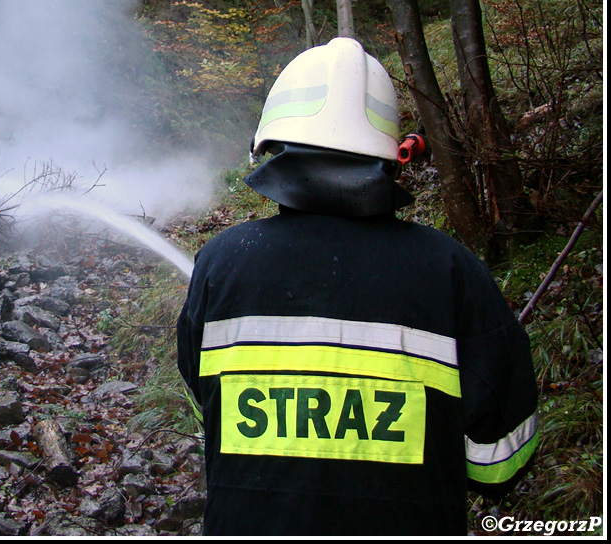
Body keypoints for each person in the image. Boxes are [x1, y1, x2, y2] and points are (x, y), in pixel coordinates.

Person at [176, 37, 538, 536]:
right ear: (390, 158)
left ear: (271, 148)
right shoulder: (453, 271)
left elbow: (207, 401)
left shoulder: (219, 265)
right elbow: (501, 463)